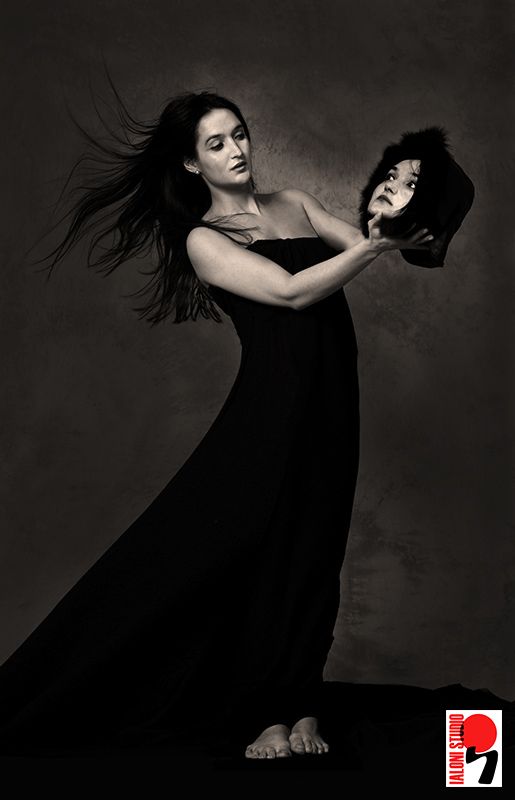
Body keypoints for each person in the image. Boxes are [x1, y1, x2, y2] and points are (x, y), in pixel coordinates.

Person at [0, 87, 465, 763]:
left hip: (334, 404)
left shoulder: (295, 202)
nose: (236, 150)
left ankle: (301, 704)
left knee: (316, 552)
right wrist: (374, 247)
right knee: (263, 556)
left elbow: (377, 243)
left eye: (239, 134)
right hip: (268, 414)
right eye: (216, 143)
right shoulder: (203, 240)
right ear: (193, 163)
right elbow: (293, 292)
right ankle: (264, 716)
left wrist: (415, 208)